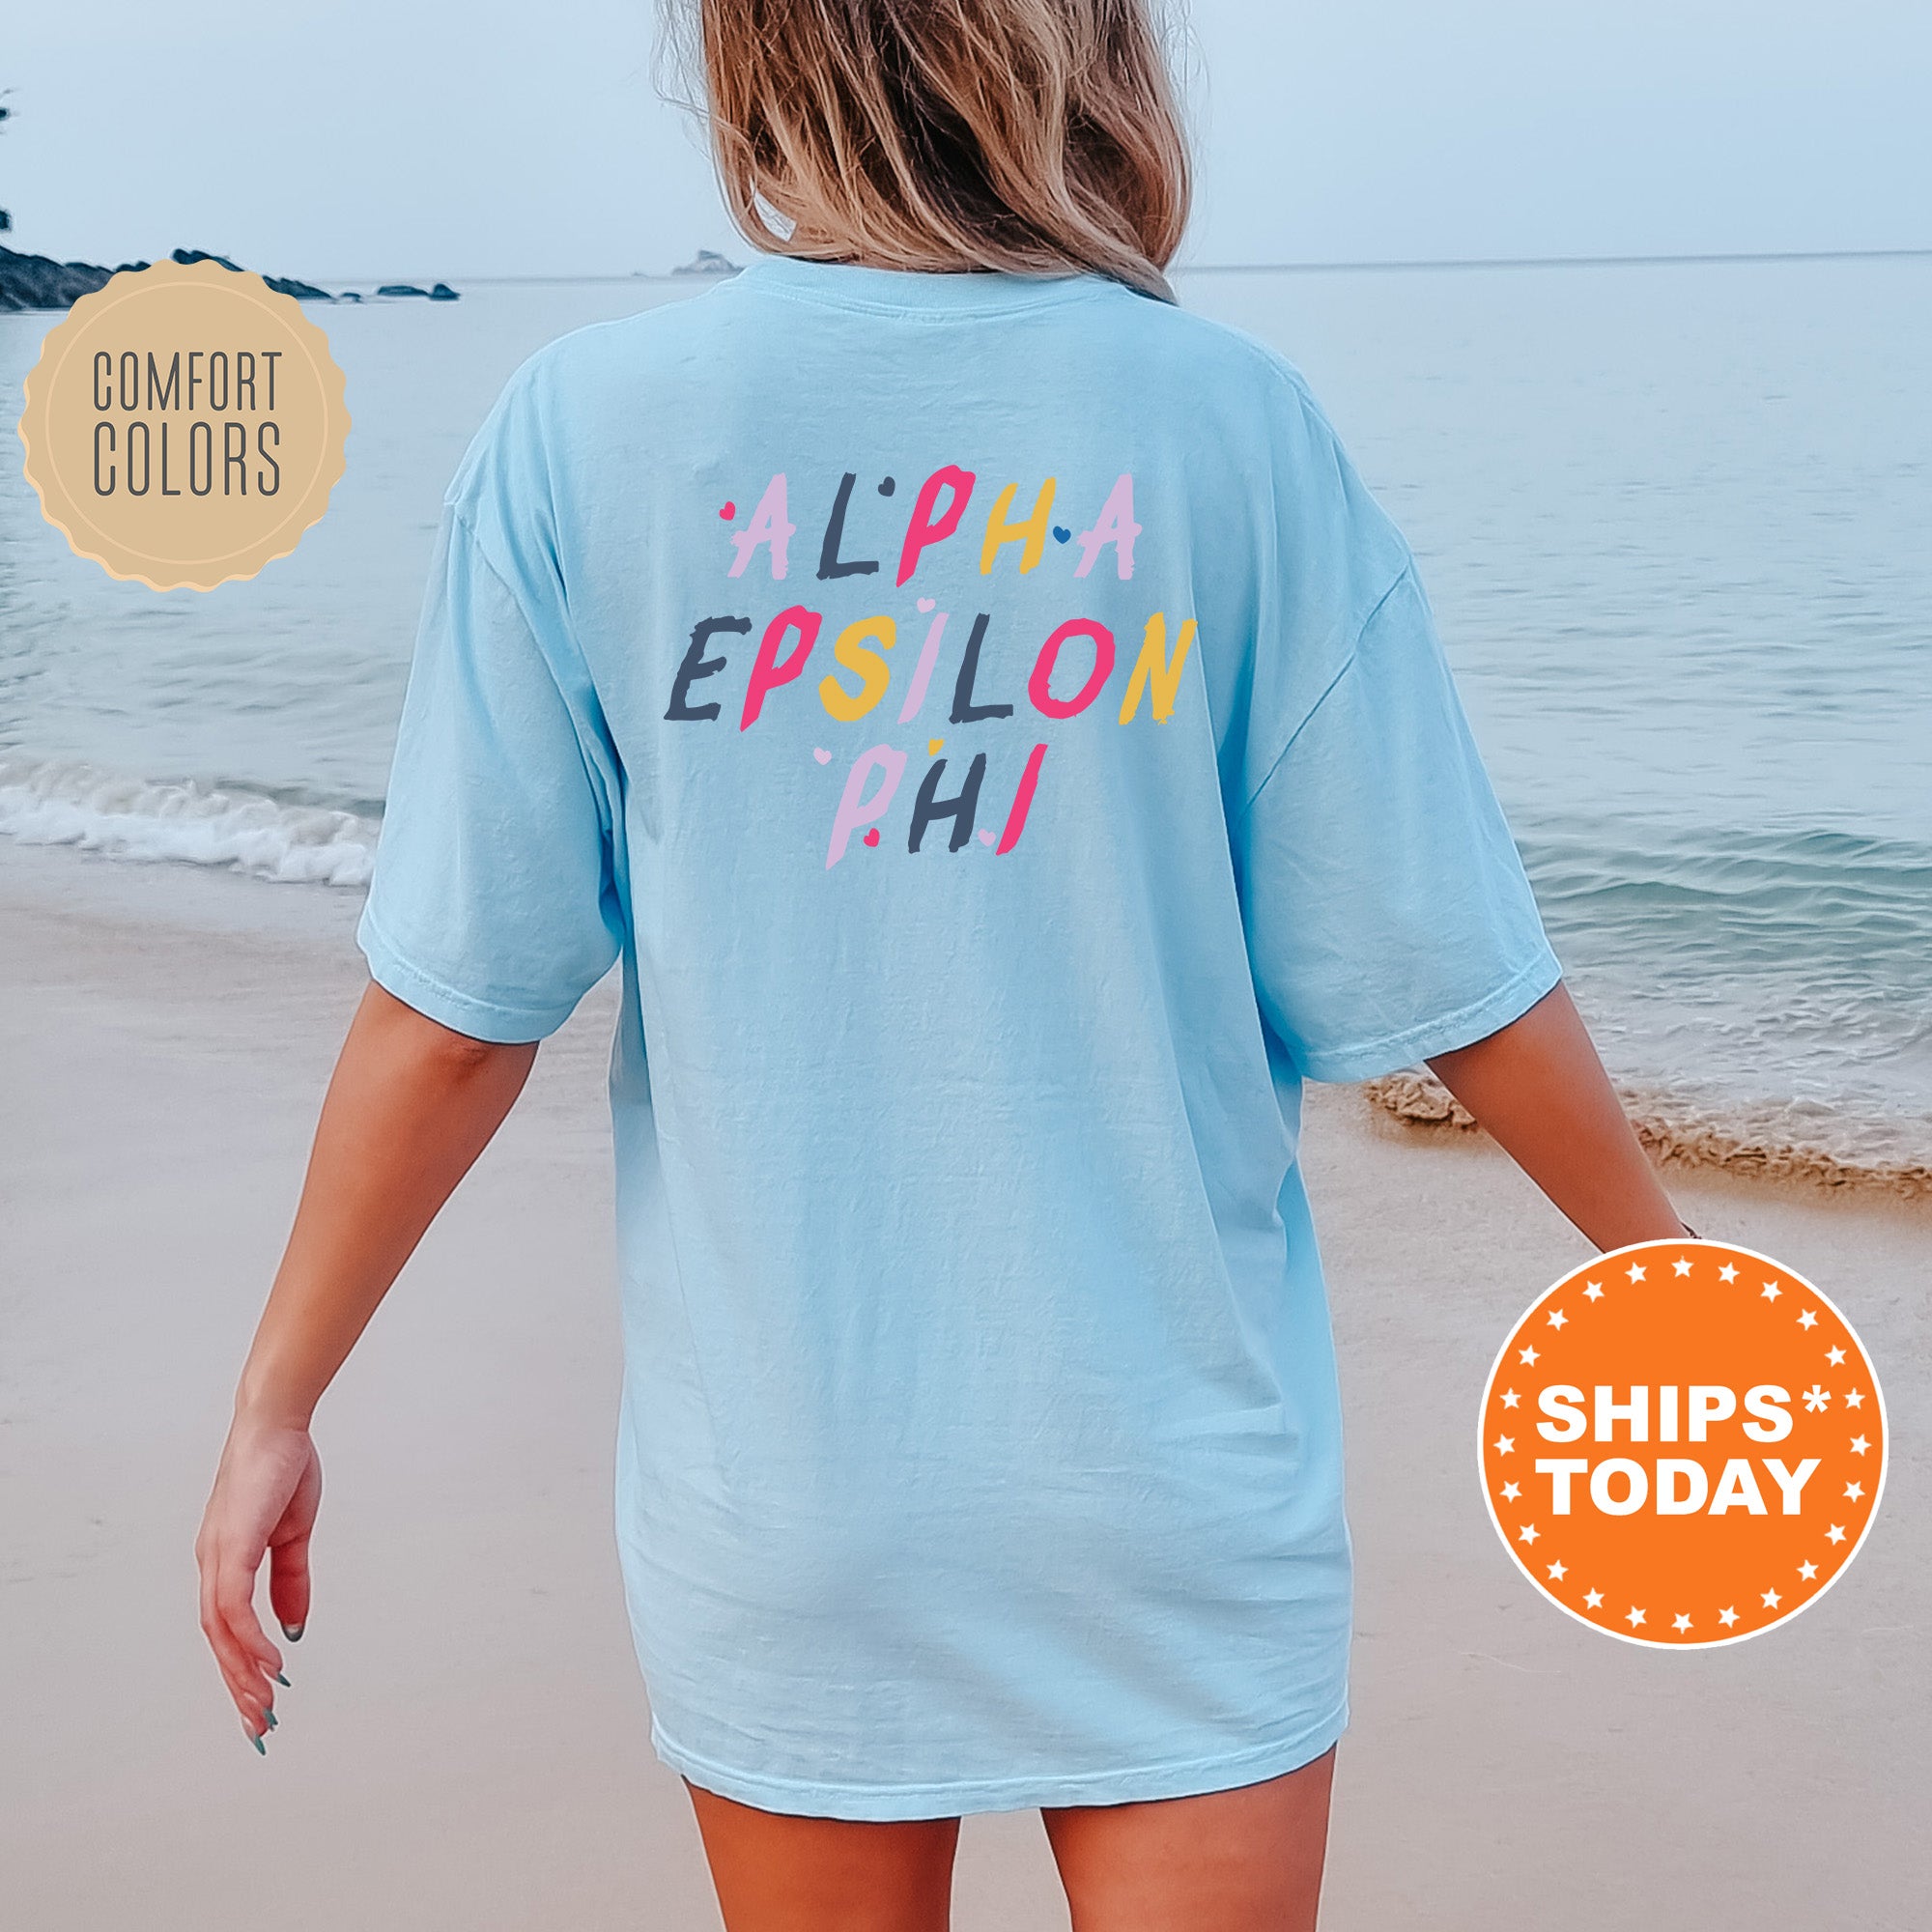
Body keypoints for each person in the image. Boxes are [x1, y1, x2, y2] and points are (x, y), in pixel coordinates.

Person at [195, 3, 1691, 1925]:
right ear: (1087, 56)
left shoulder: (582, 433)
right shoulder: (1229, 424)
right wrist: (1669, 1285)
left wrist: (274, 1402)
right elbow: (1449, 968)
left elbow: (454, 1013)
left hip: (793, 1495)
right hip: (1166, 1489)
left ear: (753, 60)